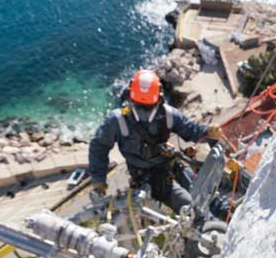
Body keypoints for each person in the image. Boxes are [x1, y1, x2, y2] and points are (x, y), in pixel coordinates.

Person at [88, 68, 227, 218]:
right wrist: (207, 132)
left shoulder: (119, 120)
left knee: (206, 193)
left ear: (130, 95)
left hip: (169, 166)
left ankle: (221, 213)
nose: (144, 113)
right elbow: (191, 130)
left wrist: (99, 181)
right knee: (193, 210)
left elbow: (99, 147)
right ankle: (213, 225)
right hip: (152, 180)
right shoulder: (165, 115)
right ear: (159, 96)